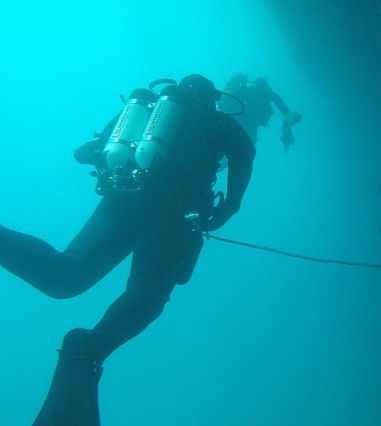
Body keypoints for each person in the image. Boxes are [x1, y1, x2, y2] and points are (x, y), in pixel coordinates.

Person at [0, 74, 256, 425]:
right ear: (212, 97)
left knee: (65, 276)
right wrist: (231, 205)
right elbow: (246, 152)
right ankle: (87, 351)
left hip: (122, 201)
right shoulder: (218, 121)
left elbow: (89, 151)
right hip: (172, 214)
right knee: (147, 295)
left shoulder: (145, 111)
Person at [218, 73, 302, 153]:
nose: (260, 92)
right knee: (247, 141)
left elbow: (284, 109)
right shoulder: (253, 92)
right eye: (259, 89)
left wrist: (289, 121)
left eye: (262, 89)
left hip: (247, 121)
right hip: (244, 120)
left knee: (246, 140)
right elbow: (284, 109)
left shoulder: (266, 94)